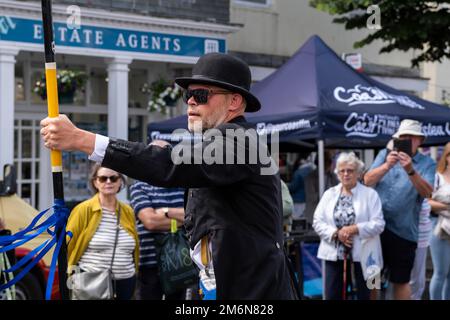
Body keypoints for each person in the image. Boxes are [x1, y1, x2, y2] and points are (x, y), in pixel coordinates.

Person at [41, 52, 297, 300]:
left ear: (234, 102)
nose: (191, 101)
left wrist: (82, 139)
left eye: (201, 94)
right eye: (188, 94)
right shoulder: (219, 144)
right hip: (219, 286)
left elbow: (169, 165)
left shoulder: (240, 141)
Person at [364, 119, 435, 300]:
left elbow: (427, 193)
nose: (407, 140)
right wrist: (387, 165)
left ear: (420, 140)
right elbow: (367, 181)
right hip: (375, 228)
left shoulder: (427, 163)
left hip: (403, 232)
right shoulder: (384, 155)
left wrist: (410, 170)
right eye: (403, 137)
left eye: (411, 137)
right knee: (373, 279)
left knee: (401, 281)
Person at [313, 152, 385, 300]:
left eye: (350, 170)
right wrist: (336, 233)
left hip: (368, 253)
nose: (346, 174)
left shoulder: (370, 194)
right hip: (334, 253)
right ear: (337, 173)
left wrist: (354, 228)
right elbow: (317, 221)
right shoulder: (329, 194)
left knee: (369, 294)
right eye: (342, 170)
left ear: (358, 173)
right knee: (333, 295)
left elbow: (379, 224)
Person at [66, 164, 139, 300]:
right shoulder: (83, 210)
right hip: (92, 283)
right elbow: (68, 245)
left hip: (126, 282)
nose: (108, 182)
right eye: (103, 178)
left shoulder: (128, 211)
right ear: (95, 182)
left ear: (120, 182)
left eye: (113, 178)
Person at [129, 181, 187, 300]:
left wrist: (167, 211)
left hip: (179, 261)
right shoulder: (140, 187)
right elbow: (151, 222)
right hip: (150, 263)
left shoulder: (184, 188)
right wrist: (181, 219)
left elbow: (194, 216)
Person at [427, 142, 450, 300]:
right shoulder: (437, 176)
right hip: (438, 228)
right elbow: (426, 202)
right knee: (440, 272)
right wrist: (447, 206)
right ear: (447, 157)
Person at [304, 151, 339, 226]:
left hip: (331, 217)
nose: (329, 164)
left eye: (330, 161)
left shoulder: (333, 177)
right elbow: (311, 197)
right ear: (319, 162)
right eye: (327, 161)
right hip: (315, 216)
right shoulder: (310, 177)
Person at [409, 199, 432, 300]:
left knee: (416, 281)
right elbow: (367, 182)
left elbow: (428, 198)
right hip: (391, 233)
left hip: (419, 235)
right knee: (372, 280)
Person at [288, 155, 314, 219]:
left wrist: (286, 187)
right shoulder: (312, 170)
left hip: (298, 200)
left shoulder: (298, 173)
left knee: (296, 220)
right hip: (308, 200)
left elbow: (293, 187)